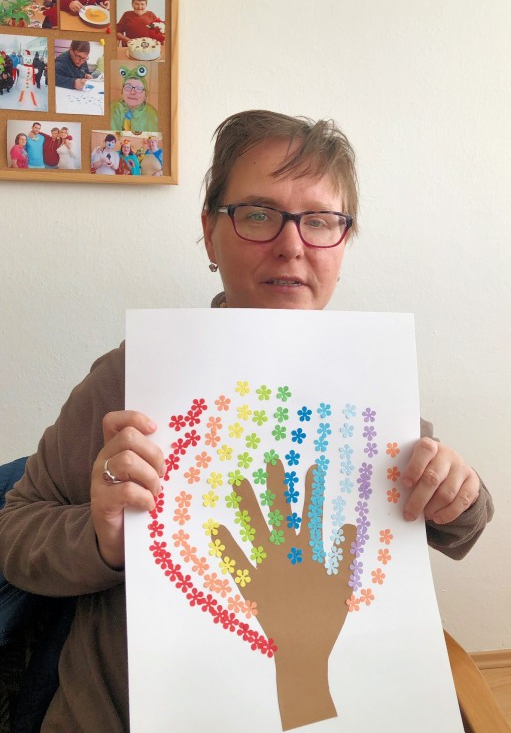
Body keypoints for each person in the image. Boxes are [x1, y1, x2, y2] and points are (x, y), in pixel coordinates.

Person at [0, 110, 494, 732]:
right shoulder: (133, 376)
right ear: (210, 234)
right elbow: (14, 534)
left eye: (320, 220)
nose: (292, 244)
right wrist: (102, 539)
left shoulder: (367, 384)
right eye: (259, 214)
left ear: (343, 243)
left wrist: (459, 494)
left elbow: (459, 524)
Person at [110, 64, 159, 132]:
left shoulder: (153, 115)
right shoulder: (112, 108)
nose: (132, 92)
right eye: (128, 87)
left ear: (145, 95)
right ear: (122, 91)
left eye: (139, 88)